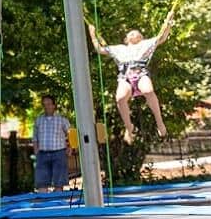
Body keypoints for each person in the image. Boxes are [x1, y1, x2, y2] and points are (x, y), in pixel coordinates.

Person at [88, 16, 173, 144]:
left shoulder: (145, 44)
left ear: (141, 37)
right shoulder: (119, 48)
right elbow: (99, 49)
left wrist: (168, 23)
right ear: (127, 38)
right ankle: (129, 126)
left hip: (140, 74)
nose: (134, 33)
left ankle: (159, 122)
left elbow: (162, 37)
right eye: (131, 33)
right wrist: (92, 34)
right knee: (120, 98)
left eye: (136, 32)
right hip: (125, 77)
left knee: (148, 91)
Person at [32, 95, 72, 193]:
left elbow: (71, 134)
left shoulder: (62, 120)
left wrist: (70, 147)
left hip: (59, 153)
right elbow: (35, 137)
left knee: (59, 183)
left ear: (54, 105)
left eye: (49, 104)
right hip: (42, 153)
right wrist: (36, 149)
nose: (47, 106)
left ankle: (58, 205)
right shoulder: (38, 120)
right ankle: (44, 205)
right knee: (41, 182)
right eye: (44, 104)